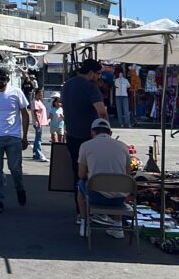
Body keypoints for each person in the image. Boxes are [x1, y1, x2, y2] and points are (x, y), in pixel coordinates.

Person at [61, 59, 109, 217]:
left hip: (72, 136)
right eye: (98, 74)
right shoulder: (90, 87)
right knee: (96, 172)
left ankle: (80, 210)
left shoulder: (67, 85)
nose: (99, 77)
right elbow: (101, 112)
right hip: (90, 138)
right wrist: (107, 130)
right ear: (90, 73)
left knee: (78, 174)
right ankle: (97, 208)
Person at [0, 68, 30, 213]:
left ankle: (19, 188)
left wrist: (25, 137)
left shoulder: (16, 93)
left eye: (2, 79)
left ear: (7, 80)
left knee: (15, 168)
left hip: (13, 137)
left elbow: (25, 115)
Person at [76, 118, 131, 238]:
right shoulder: (123, 147)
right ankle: (117, 226)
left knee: (80, 185)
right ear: (110, 133)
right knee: (120, 184)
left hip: (95, 196)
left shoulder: (85, 146)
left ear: (92, 132)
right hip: (119, 198)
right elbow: (128, 174)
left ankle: (84, 224)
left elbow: (81, 174)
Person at [30, 89, 49, 162]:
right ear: (36, 94)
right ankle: (37, 154)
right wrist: (38, 122)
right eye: (40, 94)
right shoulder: (35, 102)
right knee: (38, 139)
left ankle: (36, 154)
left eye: (42, 94)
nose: (41, 96)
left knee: (38, 138)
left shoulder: (39, 101)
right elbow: (35, 113)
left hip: (40, 122)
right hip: (38, 123)